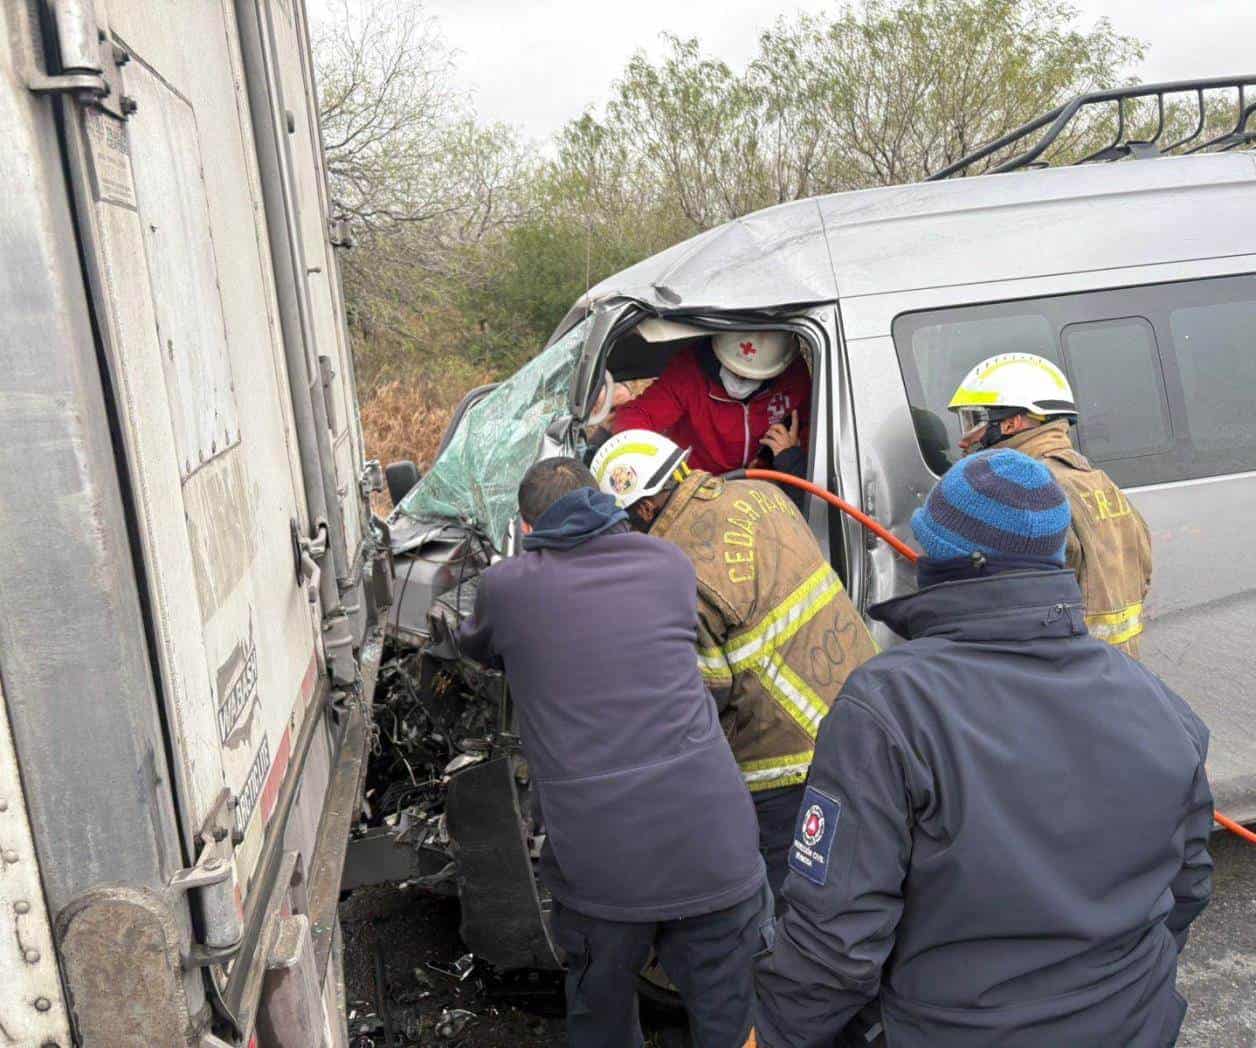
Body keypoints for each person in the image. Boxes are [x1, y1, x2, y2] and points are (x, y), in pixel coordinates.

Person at [754, 449, 1213, 1048]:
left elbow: (835, 941)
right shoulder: (1159, 704)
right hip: (1132, 1026)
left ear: (943, 558)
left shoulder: (889, 704)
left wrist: (772, 1033)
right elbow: (1189, 884)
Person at [456, 457, 770, 1048]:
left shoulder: (506, 589)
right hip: (715, 841)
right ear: (602, 502)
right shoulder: (670, 564)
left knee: (601, 1017)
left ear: (527, 529)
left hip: (602, 864)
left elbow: (480, 645)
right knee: (732, 1021)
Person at [592, 430, 879, 903]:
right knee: (859, 880)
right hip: (863, 713)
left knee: (791, 905)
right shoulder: (761, 494)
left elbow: (702, 696)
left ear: (643, 508)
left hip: (786, 761)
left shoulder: (677, 570)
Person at [948, 351, 1153, 656]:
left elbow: (1010, 604)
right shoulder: (1100, 483)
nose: (964, 441)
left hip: (1062, 676)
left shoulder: (1029, 491)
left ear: (1012, 422)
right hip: (1117, 673)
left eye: (973, 421)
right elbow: (1143, 576)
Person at [603, 330, 813, 479]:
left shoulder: (794, 376)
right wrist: (664, 470)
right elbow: (637, 415)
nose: (740, 381)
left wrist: (791, 456)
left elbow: (814, 426)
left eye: (752, 377)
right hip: (695, 482)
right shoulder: (689, 372)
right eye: (734, 371)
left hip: (763, 481)